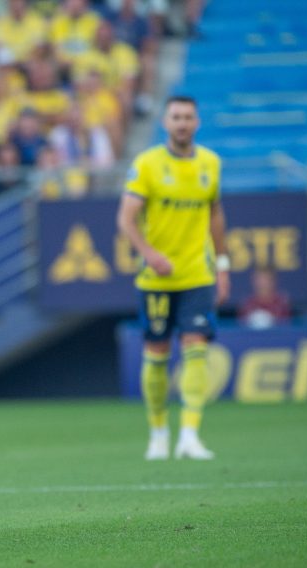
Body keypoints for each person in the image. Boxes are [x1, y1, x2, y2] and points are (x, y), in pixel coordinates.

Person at [117, 95, 229, 461]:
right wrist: (149, 254)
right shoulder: (148, 164)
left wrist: (223, 265)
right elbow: (126, 218)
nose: (182, 123)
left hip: (198, 273)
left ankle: (191, 435)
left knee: (196, 348)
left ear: (197, 122)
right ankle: (158, 433)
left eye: (188, 117)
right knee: (158, 354)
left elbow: (215, 215)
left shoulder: (211, 163)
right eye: (176, 117)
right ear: (166, 122)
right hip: (156, 280)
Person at [238, 265, 291, 329]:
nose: (262, 284)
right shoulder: (247, 304)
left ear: (273, 281)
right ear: (253, 281)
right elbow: (241, 329)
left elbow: (286, 329)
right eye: (259, 279)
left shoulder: (281, 303)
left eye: (265, 279)